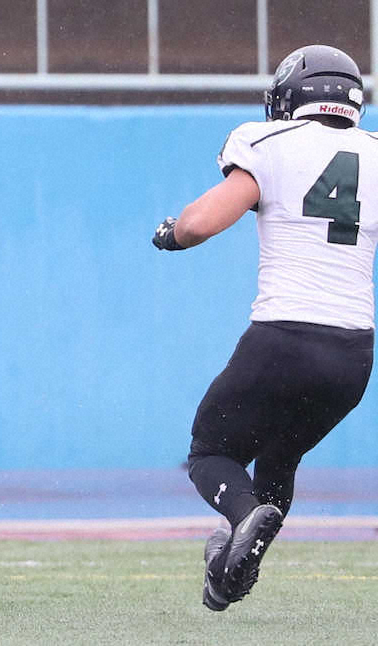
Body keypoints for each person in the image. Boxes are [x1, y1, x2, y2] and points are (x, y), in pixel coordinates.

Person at [152, 45, 376, 611]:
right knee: (280, 455)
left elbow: (202, 223)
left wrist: (171, 232)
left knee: (210, 451)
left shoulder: (267, 141)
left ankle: (242, 517)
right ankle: (230, 575)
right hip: (353, 353)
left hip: (283, 337)